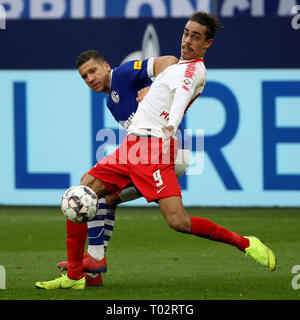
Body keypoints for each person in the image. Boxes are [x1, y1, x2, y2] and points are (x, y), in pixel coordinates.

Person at [36, 12, 276, 290]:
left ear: (207, 44)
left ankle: (245, 243)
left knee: (178, 221)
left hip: (157, 149)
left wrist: (168, 120)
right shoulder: (167, 75)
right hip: (133, 149)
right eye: (186, 33)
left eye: (195, 36)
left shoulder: (189, 70)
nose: (187, 40)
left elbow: (181, 90)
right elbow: (174, 72)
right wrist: (156, 90)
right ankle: (80, 274)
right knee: (86, 190)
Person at [55, 51, 187, 286]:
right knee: (106, 197)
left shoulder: (125, 73)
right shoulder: (110, 102)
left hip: (165, 156)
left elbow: (171, 62)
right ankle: (94, 270)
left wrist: (156, 86)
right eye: (84, 77)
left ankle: (94, 259)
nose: (90, 79)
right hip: (151, 156)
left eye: (93, 71)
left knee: (90, 190)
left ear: (106, 66)